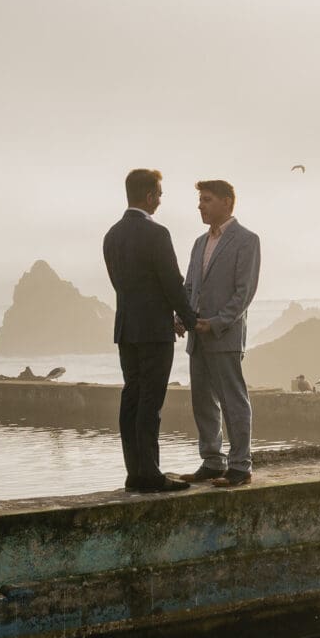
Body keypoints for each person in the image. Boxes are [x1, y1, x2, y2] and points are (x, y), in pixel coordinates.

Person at [103, 168, 197, 493]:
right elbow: (171, 283)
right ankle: (151, 474)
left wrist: (164, 314)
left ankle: (134, 472)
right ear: (149, 196)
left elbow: (123, 286)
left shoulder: (111, 235)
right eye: (159, 193)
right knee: (150, 403)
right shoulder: (157, 234)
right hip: (154, 333)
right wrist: (190, 319)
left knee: (131, 396)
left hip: (126, 328)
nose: (160, 200)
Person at [183, 179, 261, 486]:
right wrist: (183, 317)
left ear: (227, 202)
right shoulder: (199, 243)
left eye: (207, 199)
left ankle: (240, 466)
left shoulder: (246, 240)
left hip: (224, 335)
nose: (200, 205)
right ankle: (213, 461)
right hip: (197, 335)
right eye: (200, 199)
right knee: (202, 400)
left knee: (233, 400)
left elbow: (244, 293)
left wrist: (216, 322)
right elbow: (190, 287)